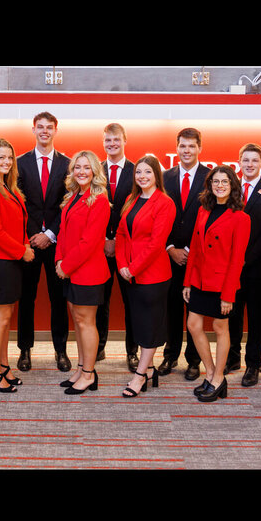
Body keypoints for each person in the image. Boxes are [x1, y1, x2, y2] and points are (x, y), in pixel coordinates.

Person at [183, 165, 250, 402]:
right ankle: (211, 372)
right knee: (193, 324)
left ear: (232, 186)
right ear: (210, 185)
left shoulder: (241, 218)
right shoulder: (203, 211)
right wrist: (188, 282)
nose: (219, 185)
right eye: (215, 182)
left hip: (222, 284)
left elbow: (237, 259)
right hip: (199, 279)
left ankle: (218, 377)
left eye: (225, 182)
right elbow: (195, 249)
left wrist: (228, 295)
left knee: (221, 329)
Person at [115, 155, 176, 397]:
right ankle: (150, 369)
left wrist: (134, 268)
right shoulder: (132, 199)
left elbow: (156, 243)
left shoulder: (165, 203)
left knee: (150, 325)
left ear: (156, 175)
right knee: (140, 324)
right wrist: (122, 265)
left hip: (153, 275)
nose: (142, 176)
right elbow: (121, 234)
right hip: (130, 273)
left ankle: (140, 375)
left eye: (147, 172)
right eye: (138, 172)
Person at [0, 138, 35, 392]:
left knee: (6, 316)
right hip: (0, 261)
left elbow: (18, 225)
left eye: (10, 158)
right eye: (1, 157)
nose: (7, 162)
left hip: (12, 261)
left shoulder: (9, 187)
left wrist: (23, 249)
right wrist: (22, 251)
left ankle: (3, 365)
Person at [16, 112, 71, 372]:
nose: (45, 131)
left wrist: (49, 234)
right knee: (26, 298)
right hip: (27, 243)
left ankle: (60, 350)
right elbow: (19, 204)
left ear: (55, 130)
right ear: (33, 129)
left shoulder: (69, 164)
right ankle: (24, 350)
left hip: (56, 243)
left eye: (49, 127)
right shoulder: (19, 163)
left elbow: (68, 205)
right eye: (40, 127)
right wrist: (33, 234)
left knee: (58, 299)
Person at [225, 144, 261, 387]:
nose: (249, 164)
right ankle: (232, 358)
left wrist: (244, 260)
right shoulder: (228, 190)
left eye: (254, 160)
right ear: (239, 162)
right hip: (229, 268)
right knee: (231, 315)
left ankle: (252, 364)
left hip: (256, 268)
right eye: (245, 160)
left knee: (256, 318)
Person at [55, 151, 111, 394]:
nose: (81, 172)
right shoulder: (72, 197)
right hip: (70, 271)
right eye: (77, 167)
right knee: (77, 321)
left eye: (87, 168)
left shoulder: (99, 200)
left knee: (86, 322)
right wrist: (59, 260)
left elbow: (89, 243)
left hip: (88, 272)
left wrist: (65, 266)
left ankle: (88, 374)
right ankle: (81, 368)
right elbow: (63, 233)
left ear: (95, 171)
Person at [161, 128, 206, 380]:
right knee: (171, 309)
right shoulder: (165, 177)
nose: (186, 151)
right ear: (176, 148)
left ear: (199, 148)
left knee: (194, 310)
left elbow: (210, 217)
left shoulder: (211, 177)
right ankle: (170, 355)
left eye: (191, 146)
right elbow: (158, 215)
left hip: (197, 256)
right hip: (169, 254)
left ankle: (193, 360)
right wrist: (170, 248)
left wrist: (189, 250)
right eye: (182, 146)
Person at [97, 123, 139, 371]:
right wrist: (103, 238)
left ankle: (132, 352)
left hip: (127, 249)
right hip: (99, 247)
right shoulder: (94, 170)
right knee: (99, 301)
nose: (112, 144)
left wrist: (116, 240)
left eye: (116, 140)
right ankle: (99, 346)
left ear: (125, 140)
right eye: (108, 140)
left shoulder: (137, 171)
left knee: (130, 303)